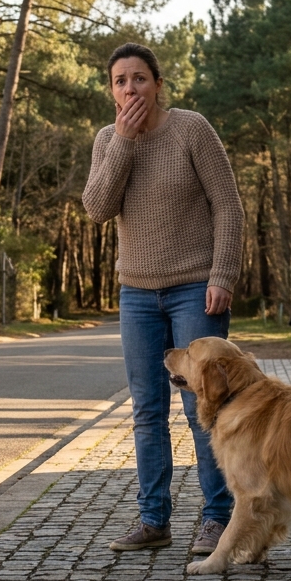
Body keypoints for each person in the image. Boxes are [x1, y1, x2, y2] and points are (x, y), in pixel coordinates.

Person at [82, 42, 243, 553]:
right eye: (120, 81)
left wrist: (223, 274)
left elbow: (228, 205)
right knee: (147, 410)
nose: (130, 88)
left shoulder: (191, 129)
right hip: (137, 295)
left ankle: (219, 519)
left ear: (157, 84)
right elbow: (97, 208)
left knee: (205, 405)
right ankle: (154, 520)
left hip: (195, 288)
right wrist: (123, 143)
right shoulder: (108, 140)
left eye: (139, 78)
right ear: (112, 91)